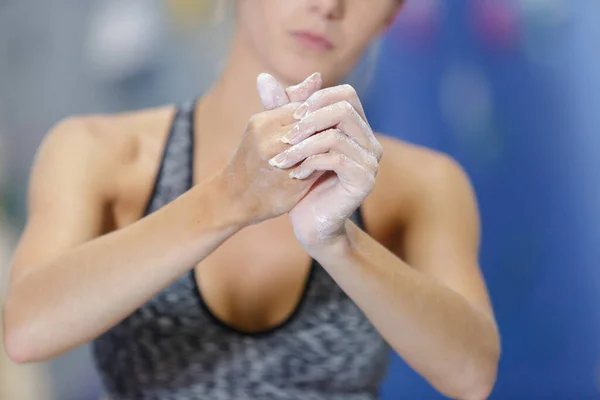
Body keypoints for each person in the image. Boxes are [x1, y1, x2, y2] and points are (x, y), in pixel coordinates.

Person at [2, 1, 500, 399]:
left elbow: (471, 375)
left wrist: (338, 244)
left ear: (392, 12)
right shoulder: (101, 152)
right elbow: (27, 330)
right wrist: (231, 197)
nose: (327, 5)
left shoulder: (423, 183)